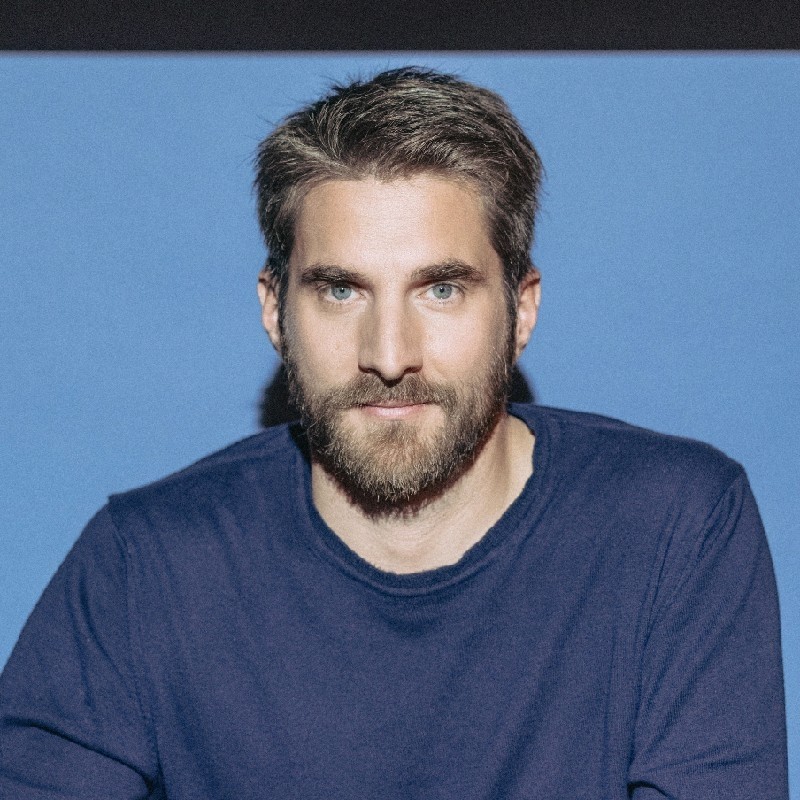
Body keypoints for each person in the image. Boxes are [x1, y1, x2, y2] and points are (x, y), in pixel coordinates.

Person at [0, 67, 787, 798]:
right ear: (275, 311)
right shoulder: (147, 565)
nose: (388, 355)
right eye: (341, 291)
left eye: (441, 289)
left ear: (522, 311)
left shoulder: (673, 529)